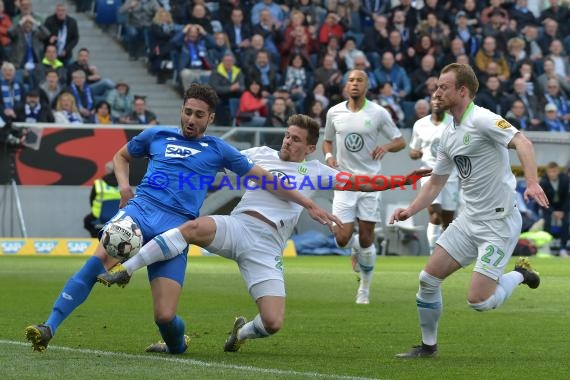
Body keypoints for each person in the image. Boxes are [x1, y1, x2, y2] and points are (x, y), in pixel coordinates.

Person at [24, 83, 339, 354]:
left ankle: (176, 345)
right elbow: (121, 156)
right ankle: (48, 326)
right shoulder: (156, 135)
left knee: (164, 316)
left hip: (175, 231)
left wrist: (307, 204)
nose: (191, 119)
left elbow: (270, 180)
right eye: (187, 111)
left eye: (199, 115)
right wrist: (123, 187)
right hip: (139, 213)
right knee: (94, 266)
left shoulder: (218, 149)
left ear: (210, 118)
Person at [97, 114, 430, 353]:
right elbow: (215, 163)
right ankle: (125, 269)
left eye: (296, 139)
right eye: (287, 134)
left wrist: (404, 180)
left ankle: (240, 334)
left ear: (310, 148)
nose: (287, 141)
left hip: (268, 248)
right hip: (239, 226)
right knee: (193, 228)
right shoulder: (259, 156)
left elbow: (362, 182)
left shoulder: (316, 172)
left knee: (272, 323)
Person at [390, 63, 550, 358]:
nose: (436, 92)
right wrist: (410, 210)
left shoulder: (484, 119)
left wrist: (531, 182)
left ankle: (519, 275)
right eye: (437, 86)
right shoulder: (449, 133)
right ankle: (428, 347)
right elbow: (435, 183)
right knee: (427, 280)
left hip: (498, 222)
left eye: (443, 87)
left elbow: (523, 142)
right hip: (468, 219)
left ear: (462, 91)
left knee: (479, 301)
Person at [323, 69, 406, 305]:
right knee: (341, 238)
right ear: (346, 86)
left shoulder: (378, 113)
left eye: (359, 80)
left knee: (368, 239)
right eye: (350, 80)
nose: (354, 84)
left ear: (367, 86)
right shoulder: (334, 112)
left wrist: (387, 147)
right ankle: (353, 248)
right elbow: (327, 141)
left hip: (370, 183)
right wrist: (329, 156)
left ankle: (364, 290)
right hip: (345, 182)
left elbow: (400, 141)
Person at [409, 97, 459, 254]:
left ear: (446, 103)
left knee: (448, 220)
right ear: (431, 103)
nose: (437, 102)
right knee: (435, 214)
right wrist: (415, 153)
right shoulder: (420, 124)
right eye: (434, 99)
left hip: (450, 176)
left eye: (440, 99)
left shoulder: (455, 123)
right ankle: (432, 253)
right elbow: (412, 151)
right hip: (429, 175)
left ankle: (445, 253)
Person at [538, 162, 569, 257]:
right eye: (550, 172)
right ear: (547, 172)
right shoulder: (543, 182)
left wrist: (563, 211)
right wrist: (553, 212)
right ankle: (546, 247)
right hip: (549, 207)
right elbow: (543, 200)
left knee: (566, 222)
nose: (552, 174)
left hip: (562, 207)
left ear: (558, 171)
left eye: (554, 171)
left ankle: (563, 249)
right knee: (547, 221)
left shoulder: (565, 179)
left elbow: (568, 198)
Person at [83, 161, 120, 238]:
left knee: (87, 222)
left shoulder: (99, 184)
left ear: (107, 170)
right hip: (118, 218)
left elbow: (92, 200)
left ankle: (96, 239)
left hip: (100, 218)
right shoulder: (123, 184)